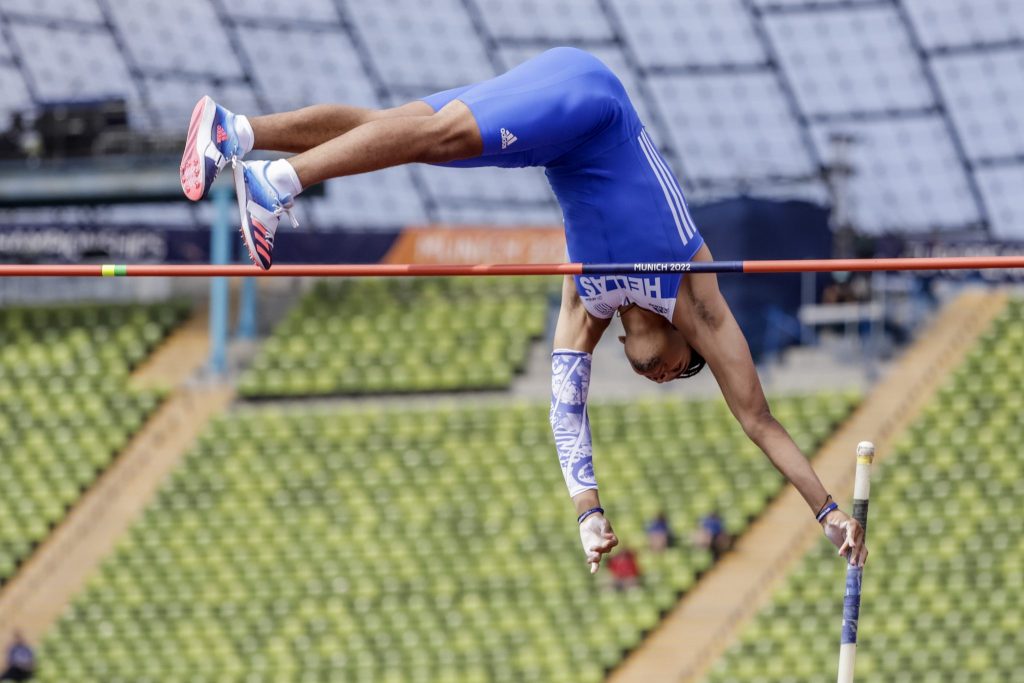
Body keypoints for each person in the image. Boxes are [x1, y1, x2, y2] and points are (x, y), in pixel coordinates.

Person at [180, 47, 868, 574]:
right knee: (437, 136)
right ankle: (278, 181)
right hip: (592, 106)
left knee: (400, 128)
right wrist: (827, 508)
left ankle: (236, 132)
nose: (662, 377)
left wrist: (588, 512)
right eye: (680, 372)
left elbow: (565, 409)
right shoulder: (697, 299)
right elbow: (758, 419)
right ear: (687, 344)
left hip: (557, 132)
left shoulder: (584, 301)